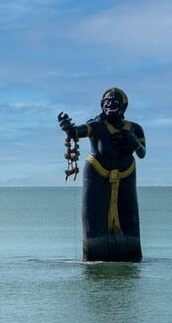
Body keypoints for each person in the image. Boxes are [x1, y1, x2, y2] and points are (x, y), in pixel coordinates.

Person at [58, 87, 146, 261]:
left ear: (123, 107)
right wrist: (67, 127)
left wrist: (135, 143)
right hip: (97, 174)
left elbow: (142, 153)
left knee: (128, 216)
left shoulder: (135, 128)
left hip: (126, 175)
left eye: (115, 102)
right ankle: (95, 254)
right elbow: (76, 132)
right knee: (95, 216)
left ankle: (129, 255)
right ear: (102, 106)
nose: (111, 104)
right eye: (107, 102)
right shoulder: (96, 126)